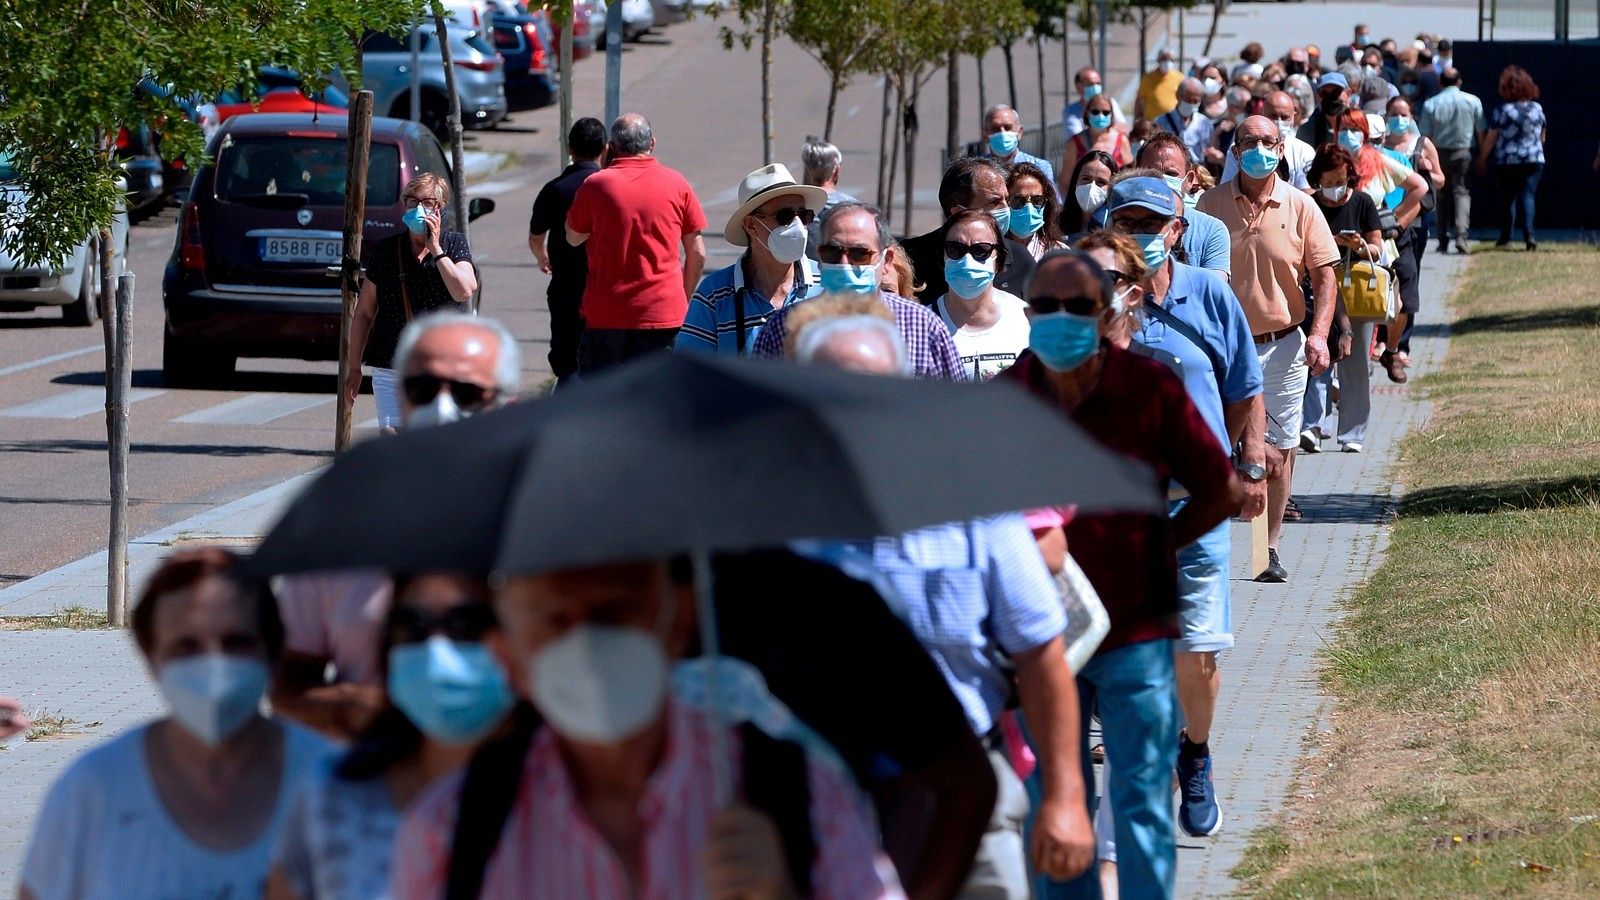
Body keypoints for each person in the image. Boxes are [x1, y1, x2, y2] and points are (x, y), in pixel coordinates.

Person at [391, 560, 905, 898]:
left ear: (677, 621)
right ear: (509, 660)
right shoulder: (452, 831)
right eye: (555, 619)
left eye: (613, 611)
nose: (587, 645)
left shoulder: (800, 794)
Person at [795, 328, 1096, 897]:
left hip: (968, 794)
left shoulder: (974, 511)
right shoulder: (777, 532)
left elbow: (1041, 656)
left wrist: (1065, 797)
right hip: (824, 807)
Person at [999, 250, 1242, 899]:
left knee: (1140, 803)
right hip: (1038, 637)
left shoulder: (1150, 387)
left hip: (1137, 633)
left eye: (1077, 307)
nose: (1060, 319)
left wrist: (1165, 541)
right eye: (1046, 307)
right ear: (1027, 315)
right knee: (1052, 802)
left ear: (1105, 315)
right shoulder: (1001, 402)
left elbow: (1221, 489)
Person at [1097, 177, 1266, 838]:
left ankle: (1193, 753)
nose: (1139, 231)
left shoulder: (1209, 293)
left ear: (1176, 229)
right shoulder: (1098, 300)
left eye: (1152, 222)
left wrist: (1250, 466)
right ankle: (1140, 768)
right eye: (1126, 220)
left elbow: (1245, 386)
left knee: (1194, 654)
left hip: (1192, 506)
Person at [20, 549, 333, 900]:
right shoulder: (92, 792)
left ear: (272, 651)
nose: (213, 664)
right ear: (151, 658)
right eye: (187, 647)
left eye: (235, 643)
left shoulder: (336, 787)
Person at [266, 572, 515, 900]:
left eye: (465, 625)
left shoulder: (562, 798)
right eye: (411, 626)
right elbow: (287, 683)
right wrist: (355, 707)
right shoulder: (332, 802)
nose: (436, 650)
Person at [1197, 116, 1339, 583]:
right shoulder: (1210, 205)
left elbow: (1324, 276)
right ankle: (1203, 549)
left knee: (1277, 452)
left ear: (1281, 148)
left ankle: (1265, 549)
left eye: (1268, 142)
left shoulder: (1300, 205)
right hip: (1220, 347)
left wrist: (1319, 335)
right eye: (1249, 142)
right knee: (1212, 448)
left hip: (1282, 346)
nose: (1259, 148)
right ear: (1235, 151)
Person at [751, 202, 966, 379]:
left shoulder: (924, 326)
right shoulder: (781, 329)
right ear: (819, 256)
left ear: (887, 260)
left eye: (859, 254)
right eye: (832, 253)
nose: (844, 263)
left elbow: (958, 411)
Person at [566, 113, 707, 374]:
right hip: (663, 313)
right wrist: (682, 295)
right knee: (656, 401)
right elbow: (697, 251)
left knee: (602, 401)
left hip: (606, 315)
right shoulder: (677, 183)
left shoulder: (596, 185)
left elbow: (572, 237)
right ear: (652, 143)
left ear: (612, 147)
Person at [344, 173, 478, 431]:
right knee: (392, 439)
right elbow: (364, 313)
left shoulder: (454, 245)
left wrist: (436, 249)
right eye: (411, 201)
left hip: (444, 367)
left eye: (426, 202)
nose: (418, 209)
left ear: (439, 207)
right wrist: (353, 368)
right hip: (392, 364)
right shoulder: (386, 250)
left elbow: (464, 291)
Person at [677, 164, 824, 356]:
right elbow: (689, 370)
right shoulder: (714, 294)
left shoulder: (825, 283)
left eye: (804, 216)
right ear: (751, 225)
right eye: (785, 216)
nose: (797, 225)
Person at [1304, 144, 1386, 454]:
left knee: (1355, 365)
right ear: (1318, 178)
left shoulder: (1362, 202)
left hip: (1356, 292)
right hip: (1318, 290)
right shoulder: (1310, 205)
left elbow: (1377, 249)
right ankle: (1313, 424)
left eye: (1341, 180)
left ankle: (1353, 432)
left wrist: (1359, 243)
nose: (1336, 187)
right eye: (1329, 180)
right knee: (1317, 355)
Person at [1339, 109, 1427, 384]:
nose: (1348, 135)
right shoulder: (1331, 158)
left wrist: (1396, 220)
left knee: (1393, 304)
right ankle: (1347, 370)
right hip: (1339, 245)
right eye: (1343, 128)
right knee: (1348, 308)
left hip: (1378, 245)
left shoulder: (1379, 161)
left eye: (1355, 129)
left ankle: (1389, 351)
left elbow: (1420, 186)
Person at [528, 117, 604, 387]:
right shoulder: (611, 188)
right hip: (605, 289)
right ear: (604, 148)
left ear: (570, 148)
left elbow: (536, 236)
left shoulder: (554, 190)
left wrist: (542, 258)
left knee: (568, 363)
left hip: (566, 289)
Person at [899, 156, 1018, 303]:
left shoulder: (1020, 259)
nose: (1006, 209)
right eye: (994, 202)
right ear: (957, 212)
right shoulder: (910, 260)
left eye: (1007, 199)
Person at [1382, 96, 1445, 366]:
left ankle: (1402, 342)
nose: (1399, 119)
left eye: (1403, 114)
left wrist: (1429, 171)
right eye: (1394, 113)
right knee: (1384, 278)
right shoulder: (1380, 145)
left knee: (1409, 279)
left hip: (1416, 222)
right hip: (1384, 218)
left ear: (1412, 116)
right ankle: (1384, 339)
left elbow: (1441, 181)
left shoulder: (1422, 144)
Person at [933, 209, 1031, 379]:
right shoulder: (923, 325)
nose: (967, 260)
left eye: (981, 250)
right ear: (942, 257)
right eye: (955, 249)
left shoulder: (1026, 318)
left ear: (998, 262)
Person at [1132, 134, 1231, 274]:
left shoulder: (1212, 230)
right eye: (1152, 173)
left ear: (1189, 180)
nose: (1161, 180)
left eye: (1171, 174)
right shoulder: (1121, 222)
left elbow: (1212, 289)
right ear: (1136, 176)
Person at [1478, 65, 1546, 251]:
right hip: (1533, 158)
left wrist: (1482, 158)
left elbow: (1492, 136)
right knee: (1528, 195)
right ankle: (1529, 235)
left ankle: (1506, 236)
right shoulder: (1536, 108)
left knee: (1508, 198)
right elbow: (1542, 136)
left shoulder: (1503, 110)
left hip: (1507, 160)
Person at [1418, 67, 1484, 255]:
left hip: (1438, 153)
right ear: (1459, 82)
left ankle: (1442, 238)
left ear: (1440, 83)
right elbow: (1481, 130)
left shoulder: (1431, 104)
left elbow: (1426, 136)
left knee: (1441, 195)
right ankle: (1461, 235)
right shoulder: (1473, 101)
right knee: (1461, 192)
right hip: (1463, 152)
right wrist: (1483, 155)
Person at [1222, 91, 1316, 189]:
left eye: (1284, 117)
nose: (1279, 122)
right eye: (1273, 116)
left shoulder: (1305, 151)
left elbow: (1307, 194)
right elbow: (1227, 188)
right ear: (1263, 114)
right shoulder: (1242, 147)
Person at [981, 104, 1059, 200]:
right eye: (995, 128)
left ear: (1019, 132)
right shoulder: (979, 170)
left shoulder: (1040, 166)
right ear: (985, 135)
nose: (1002, 133)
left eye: (1008, 127)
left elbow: (1053, 204)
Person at [801, 136, 858, 261]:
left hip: (805, 273)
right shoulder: (854, 208)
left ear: (808, 170)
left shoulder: (798, 205)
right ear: (837, 169)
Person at [1060, 92, 1133, 187]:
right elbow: (1065, 180)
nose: (1100, 116)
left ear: (1112, 114)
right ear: (1087, 113)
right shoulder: (1075, 143)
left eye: (1106, 112)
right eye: (1095, 112)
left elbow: (1130, 174)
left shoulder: (1121, 140)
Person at [1006, 161, 1067, 261]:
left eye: (1037, 200)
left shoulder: (1058, 253)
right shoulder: (992, 252)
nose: (1029, 208)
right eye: (1018, 200)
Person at [1155, 77, 1215, 165]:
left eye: (1195, 101)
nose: (1191, 104)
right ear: (1178, 96)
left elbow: (1209, 150)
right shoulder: (1161, 122)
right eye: (1188, 100)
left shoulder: (1205, 124)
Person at [1060, 149, 1117, 238]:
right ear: (1075, 181)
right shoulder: (1055, 224)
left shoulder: (1116, 226)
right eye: (1086, 179)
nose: (1091, 187)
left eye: (1101, 182)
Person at [1062, 67, 1129, 136]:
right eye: (1091, 84)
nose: (1096, 87)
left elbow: (1123, 128)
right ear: (1079, 86)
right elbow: (1075, 137)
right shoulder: (1071, 111)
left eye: (1098, 83)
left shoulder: (1110, 103)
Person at [1135, 49, 1183, 119]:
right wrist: (1137, 118)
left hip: (1173, 123)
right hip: (1152, 123)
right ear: (1158, 60)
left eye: (1170, 59)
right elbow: (1139, 100)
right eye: (1164, 59)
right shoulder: (1148, 78)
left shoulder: (1180, 78)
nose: (1167, 62)